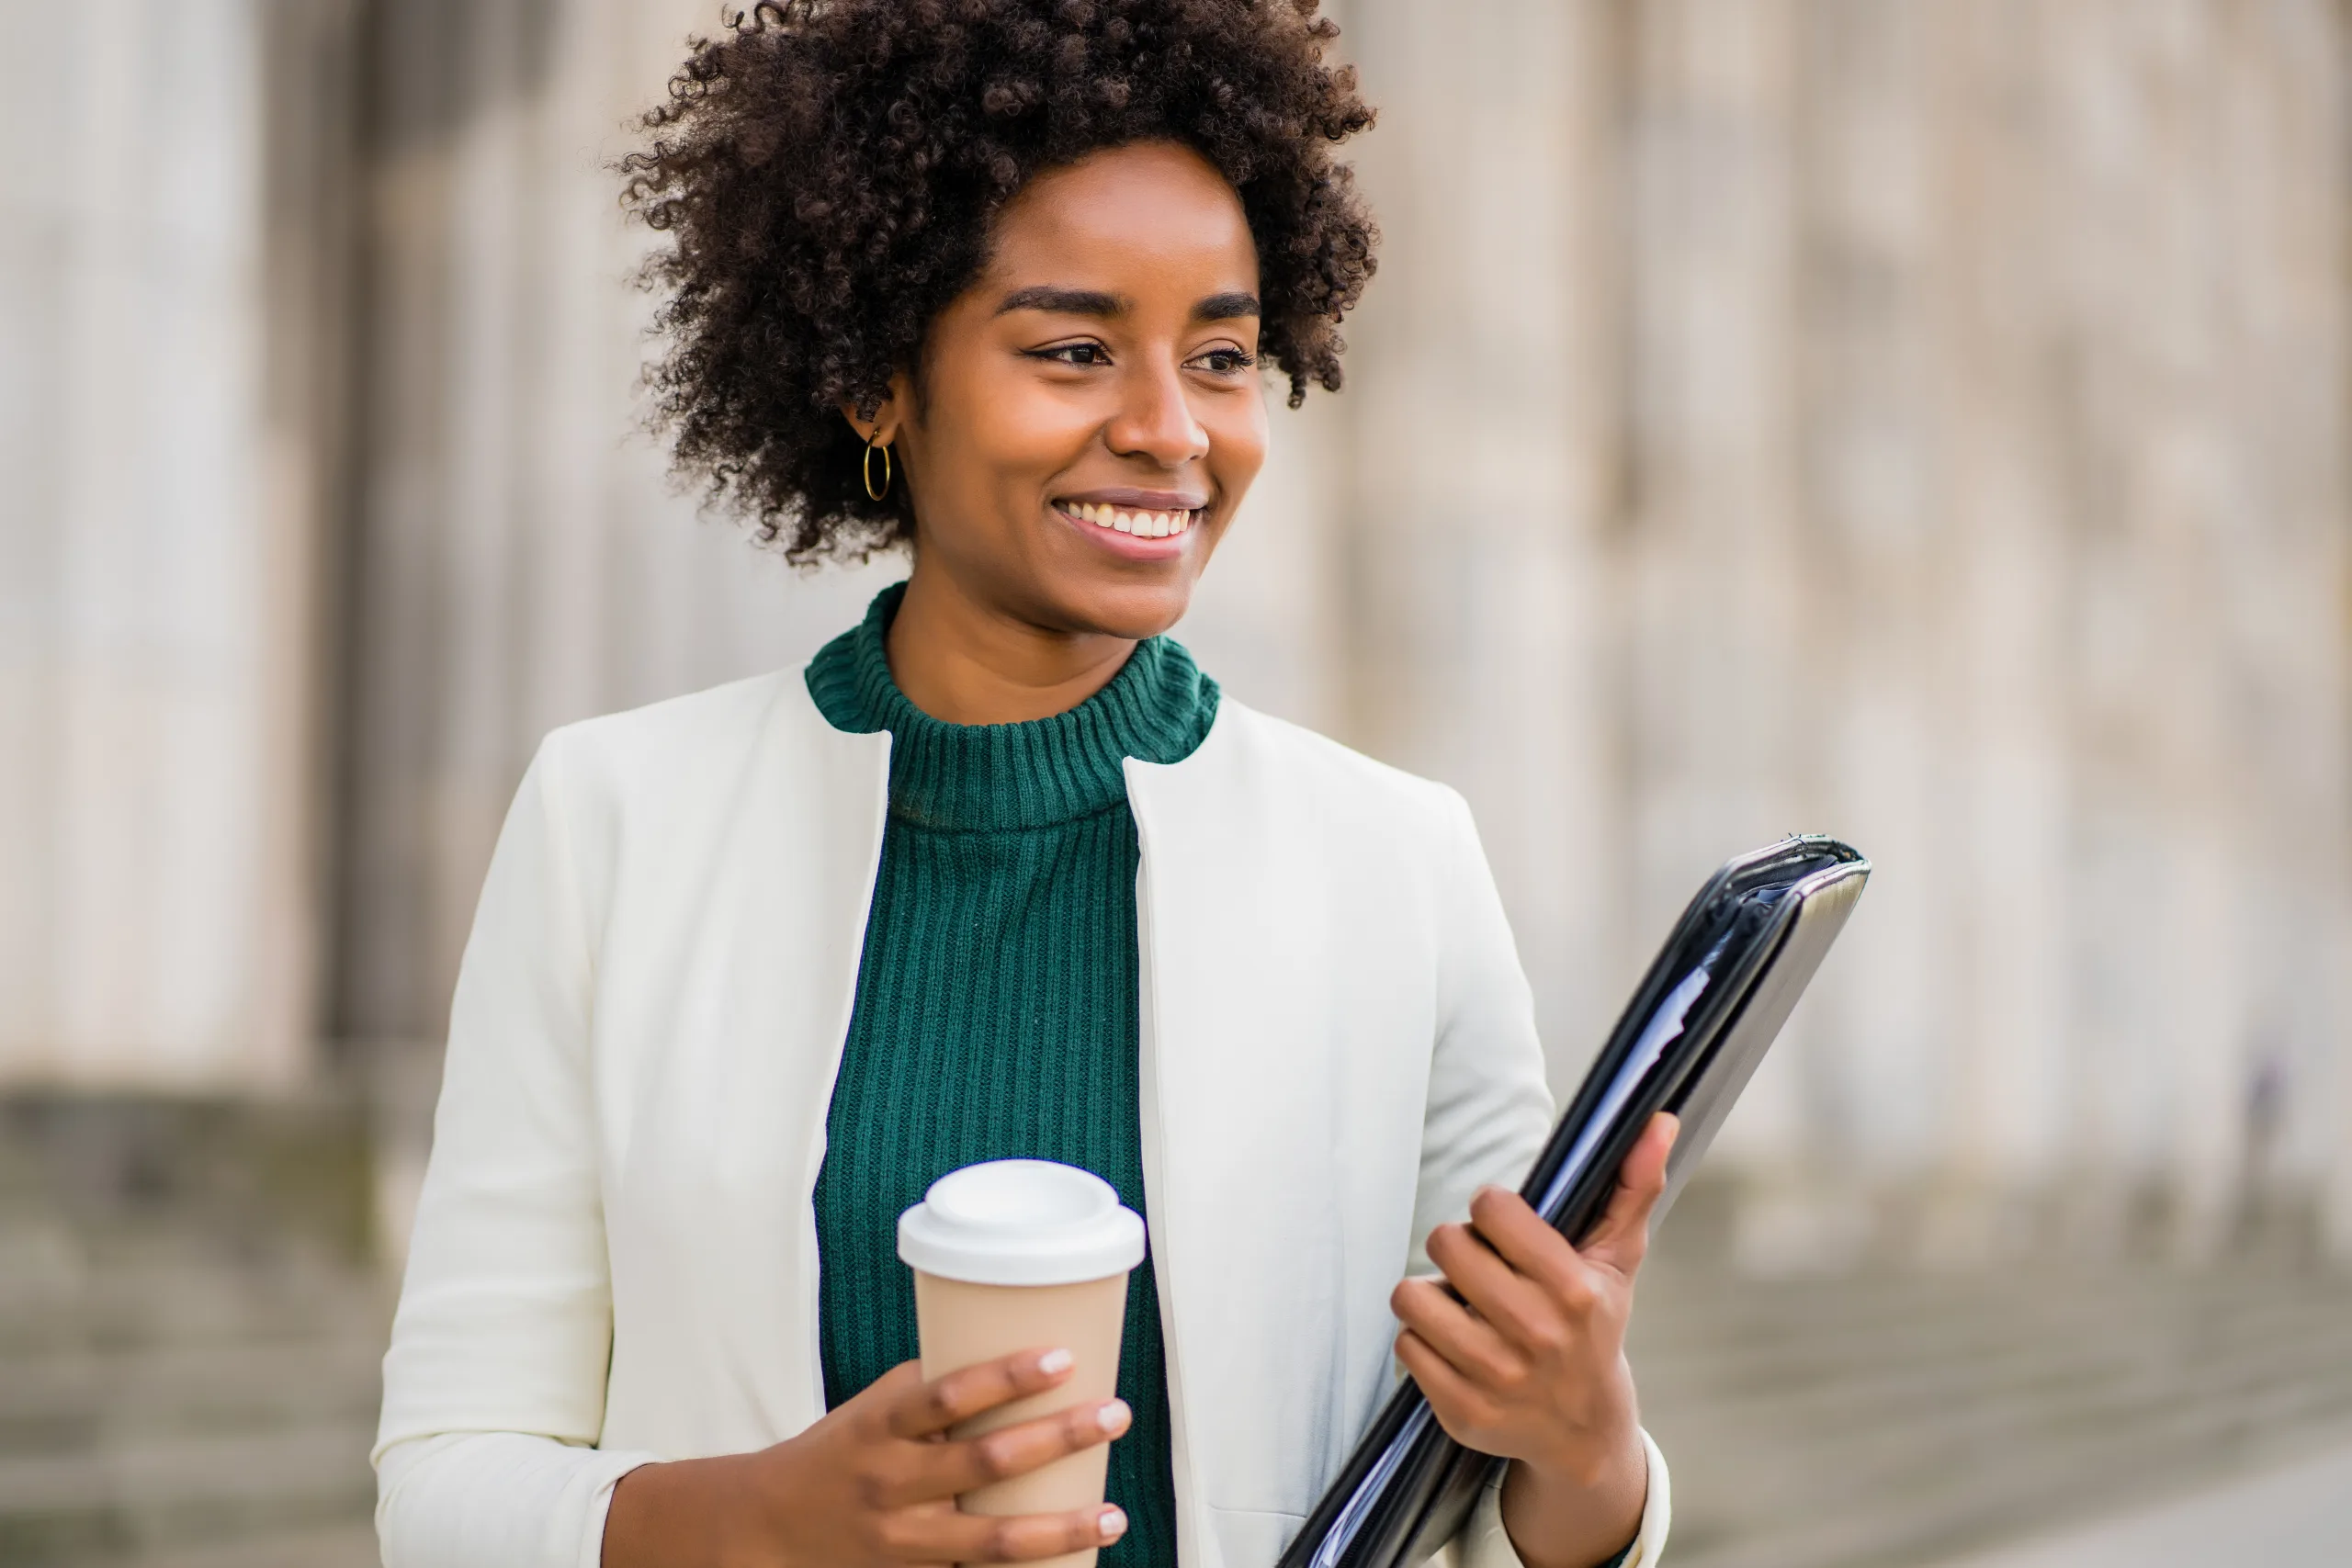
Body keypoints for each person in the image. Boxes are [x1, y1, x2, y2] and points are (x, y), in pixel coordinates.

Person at [372, 5, 1676, 1567]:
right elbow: (446, 1488)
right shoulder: (613, 825)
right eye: (1072, 349)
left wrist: (1587, 1443)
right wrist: (764, 1518)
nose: (1169, 430)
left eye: (1222, 354)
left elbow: (1471, 1508)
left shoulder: (1399, 861)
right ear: (878, 380)